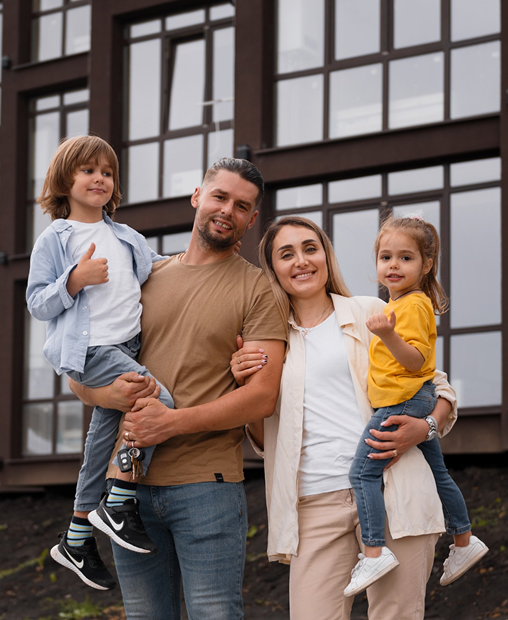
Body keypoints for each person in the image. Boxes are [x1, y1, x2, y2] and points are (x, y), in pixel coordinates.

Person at [68, 158, 287, 619]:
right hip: (125, 492)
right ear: (197, 197)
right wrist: (107, 396)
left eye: (241, 206)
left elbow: (262, 396)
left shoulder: (259, 289)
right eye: (220, 197)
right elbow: (80, 368)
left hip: (207, 487)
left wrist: (170, 423)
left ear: (251, 220)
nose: (227, 210)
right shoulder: (142, 276)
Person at [231, 216, 463, 620]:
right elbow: (266, 439)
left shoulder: (371, 312)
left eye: (310, 248)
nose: (301, 261)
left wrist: (423, 428)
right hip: (314, 504)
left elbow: (437, 388)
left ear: (326, 256)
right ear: (273, 268)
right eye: (286, 254)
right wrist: (246, 388)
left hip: (394, 490)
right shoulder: (268, 340)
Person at [26, 135, 174, 591]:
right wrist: (74, 279)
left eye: (107, 172)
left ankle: (76, 536)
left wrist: (201, 264)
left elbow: (162, 269)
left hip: (126, 348)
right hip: (90, 351)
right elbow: (37, 302)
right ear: (64, 180)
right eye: (88, 170)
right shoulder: (56, 238)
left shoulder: (126, 236)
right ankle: (119, 499)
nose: (100, 179)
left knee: (103, 435)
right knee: (159, 401)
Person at [345, 215, 488, 597]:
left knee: (362, 474)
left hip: (403, 401)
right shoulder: (403, 303)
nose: (393, 265)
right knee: (439, 472)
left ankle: (374, 552)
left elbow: (415, 361)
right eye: (386, 257)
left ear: (426, 265)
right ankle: (464, 540)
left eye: (405, 258)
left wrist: (387, 334)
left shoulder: (412, 306)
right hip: (414, 398)